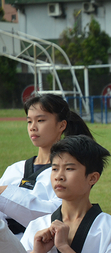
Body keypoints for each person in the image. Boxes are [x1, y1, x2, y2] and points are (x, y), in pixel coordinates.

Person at [0, 94, 94, 239]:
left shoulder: (69, 172)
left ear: (61, 125)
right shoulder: (14, 169)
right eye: (29, 121)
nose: (33, 127)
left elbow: (58, 214)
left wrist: (6, 193)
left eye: (40, 120)